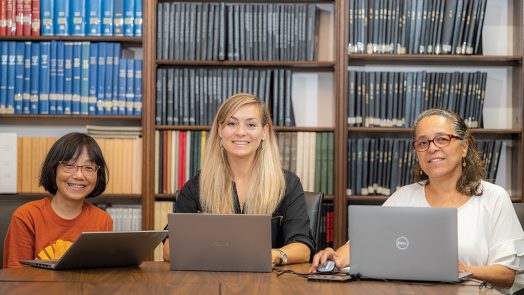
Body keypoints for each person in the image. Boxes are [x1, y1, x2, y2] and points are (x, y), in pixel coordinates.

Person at [310, 109, 524, 291]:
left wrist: (463, 270)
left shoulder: (494, 197)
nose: (431, 148)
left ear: (465, 146)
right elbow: (363, 246)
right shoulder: (403, 196)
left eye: (442, 139)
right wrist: (334, 258)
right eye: (423, 142)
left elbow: (507, 275)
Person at [163, 93, 314, 265]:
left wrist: (274, 255)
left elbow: (303, 248)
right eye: (231, 123)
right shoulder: (198, 185)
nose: (241, 132)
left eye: (251, 124)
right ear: (220, 130)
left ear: (265, 131)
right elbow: (169, 249)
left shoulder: (287, 184)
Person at [3, 132, 113, 268]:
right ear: (53, 169)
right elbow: (17, 278)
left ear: (98, 175)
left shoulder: (102, 220)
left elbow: (100, 276)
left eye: (88, 168)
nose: (79, 175)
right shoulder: (26, 216)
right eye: (69, 165)